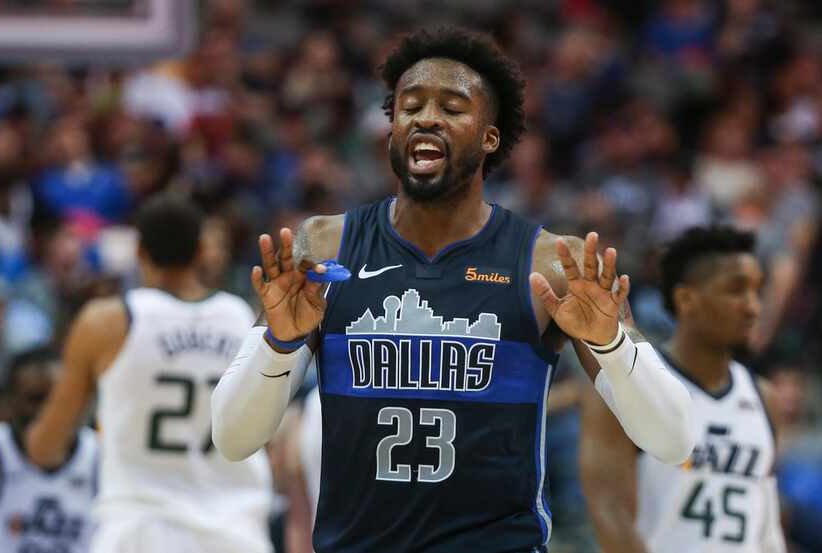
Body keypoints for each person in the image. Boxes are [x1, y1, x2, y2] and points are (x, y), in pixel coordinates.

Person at [212, 26, 695, 553]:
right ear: (392, 128)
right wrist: (278, 344)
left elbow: (673, 442)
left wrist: (611, 342)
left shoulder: (550, 263)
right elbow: (233, 439)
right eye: (409, 105)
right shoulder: (326, 246)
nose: (425, 117)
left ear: (490, 137)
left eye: (452, 106)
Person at [25, 194, 273, 553]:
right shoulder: (242, 317)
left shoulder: (106, 321)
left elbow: (47, 448)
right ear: (203, 250)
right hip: (235, 532)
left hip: (140, 532)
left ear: (139, 252)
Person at [580, 226, 787, 553]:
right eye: (736, 290)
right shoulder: (627, 384)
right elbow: (610, 512)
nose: (753, 307)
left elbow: (767, 525)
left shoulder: (766, 398)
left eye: (757, 291)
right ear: (687, 299)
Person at [0, 347, 98, 553]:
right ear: (10, 401)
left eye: (56, 400)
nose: (48, 413)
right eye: (35, 399)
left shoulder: (100, 457)